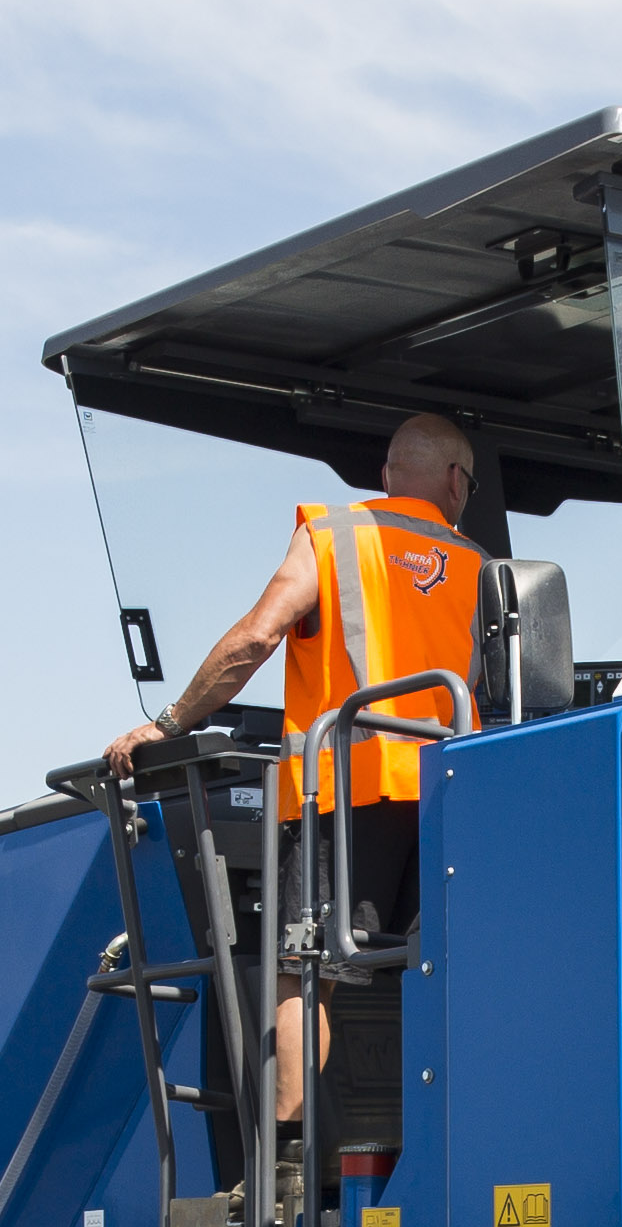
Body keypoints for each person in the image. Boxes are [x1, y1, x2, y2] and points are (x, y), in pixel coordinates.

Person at [100, 411, 489, 1154]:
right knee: (434, 972)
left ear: (387, 476)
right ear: (453, 480)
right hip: (446, 797)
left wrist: (168, 723)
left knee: (304, 972)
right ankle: (447, 1151)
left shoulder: (335, 535)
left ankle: (286, 1166)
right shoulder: (479, 565)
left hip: (344, 795)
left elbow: (257, 635)